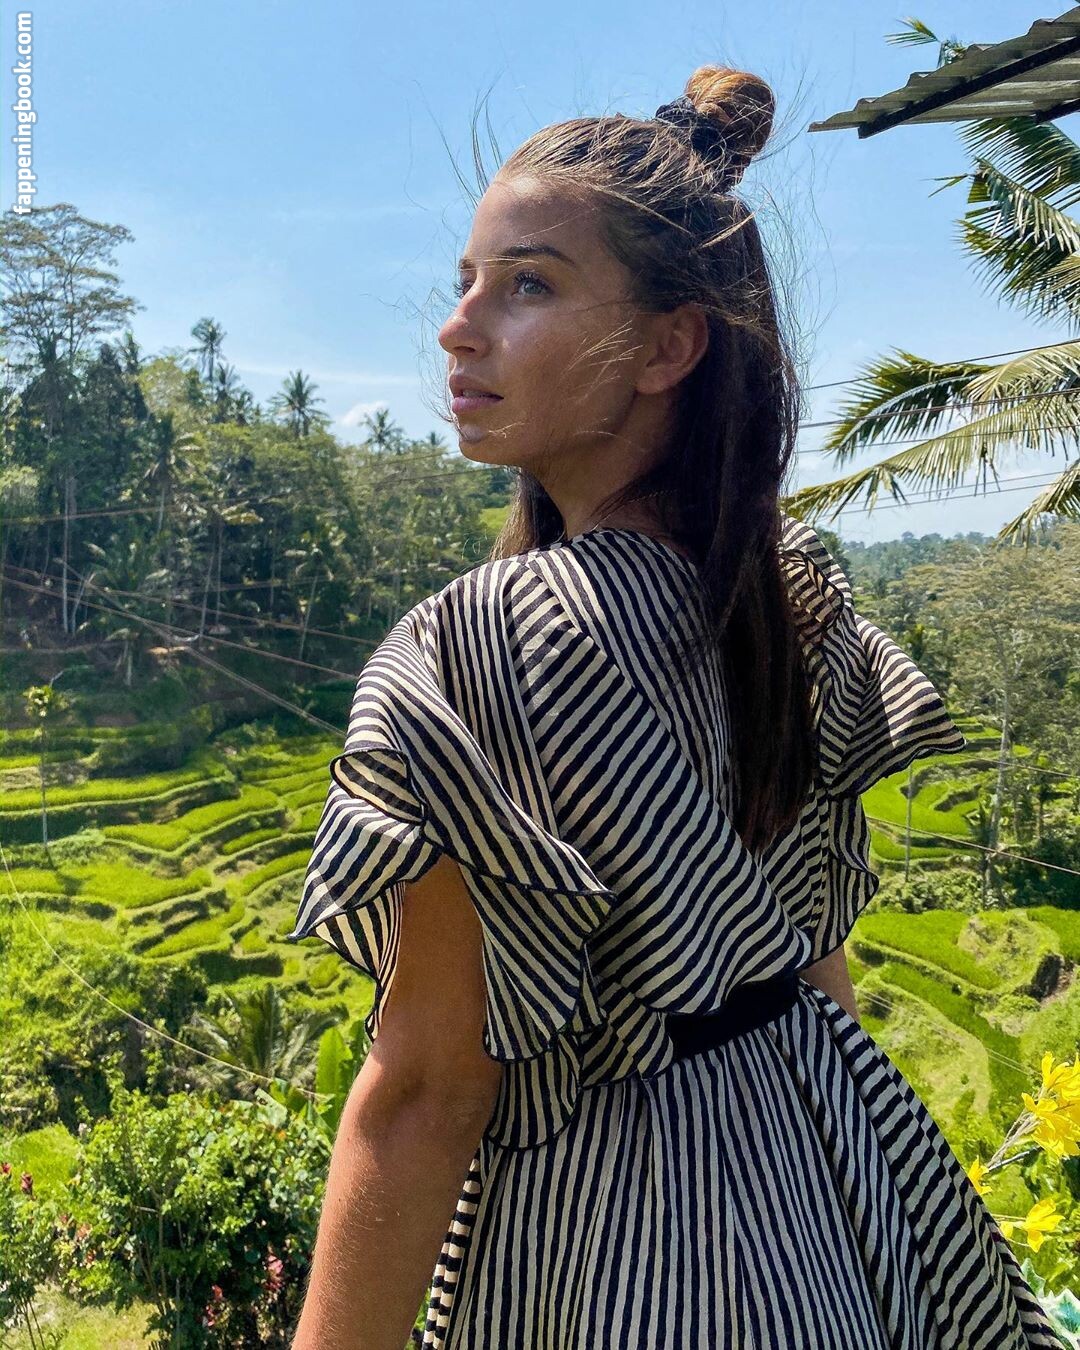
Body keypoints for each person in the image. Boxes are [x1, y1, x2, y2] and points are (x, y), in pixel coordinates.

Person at [288, 65, 1067, 1350]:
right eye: (467, 282)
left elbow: (426, 1091)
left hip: (621, 1237)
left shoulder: (476, 647)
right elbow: (819, 964)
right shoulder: (791, 593)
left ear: (668, 346)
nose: (459, 329)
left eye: (527, 285)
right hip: (839, 1174)